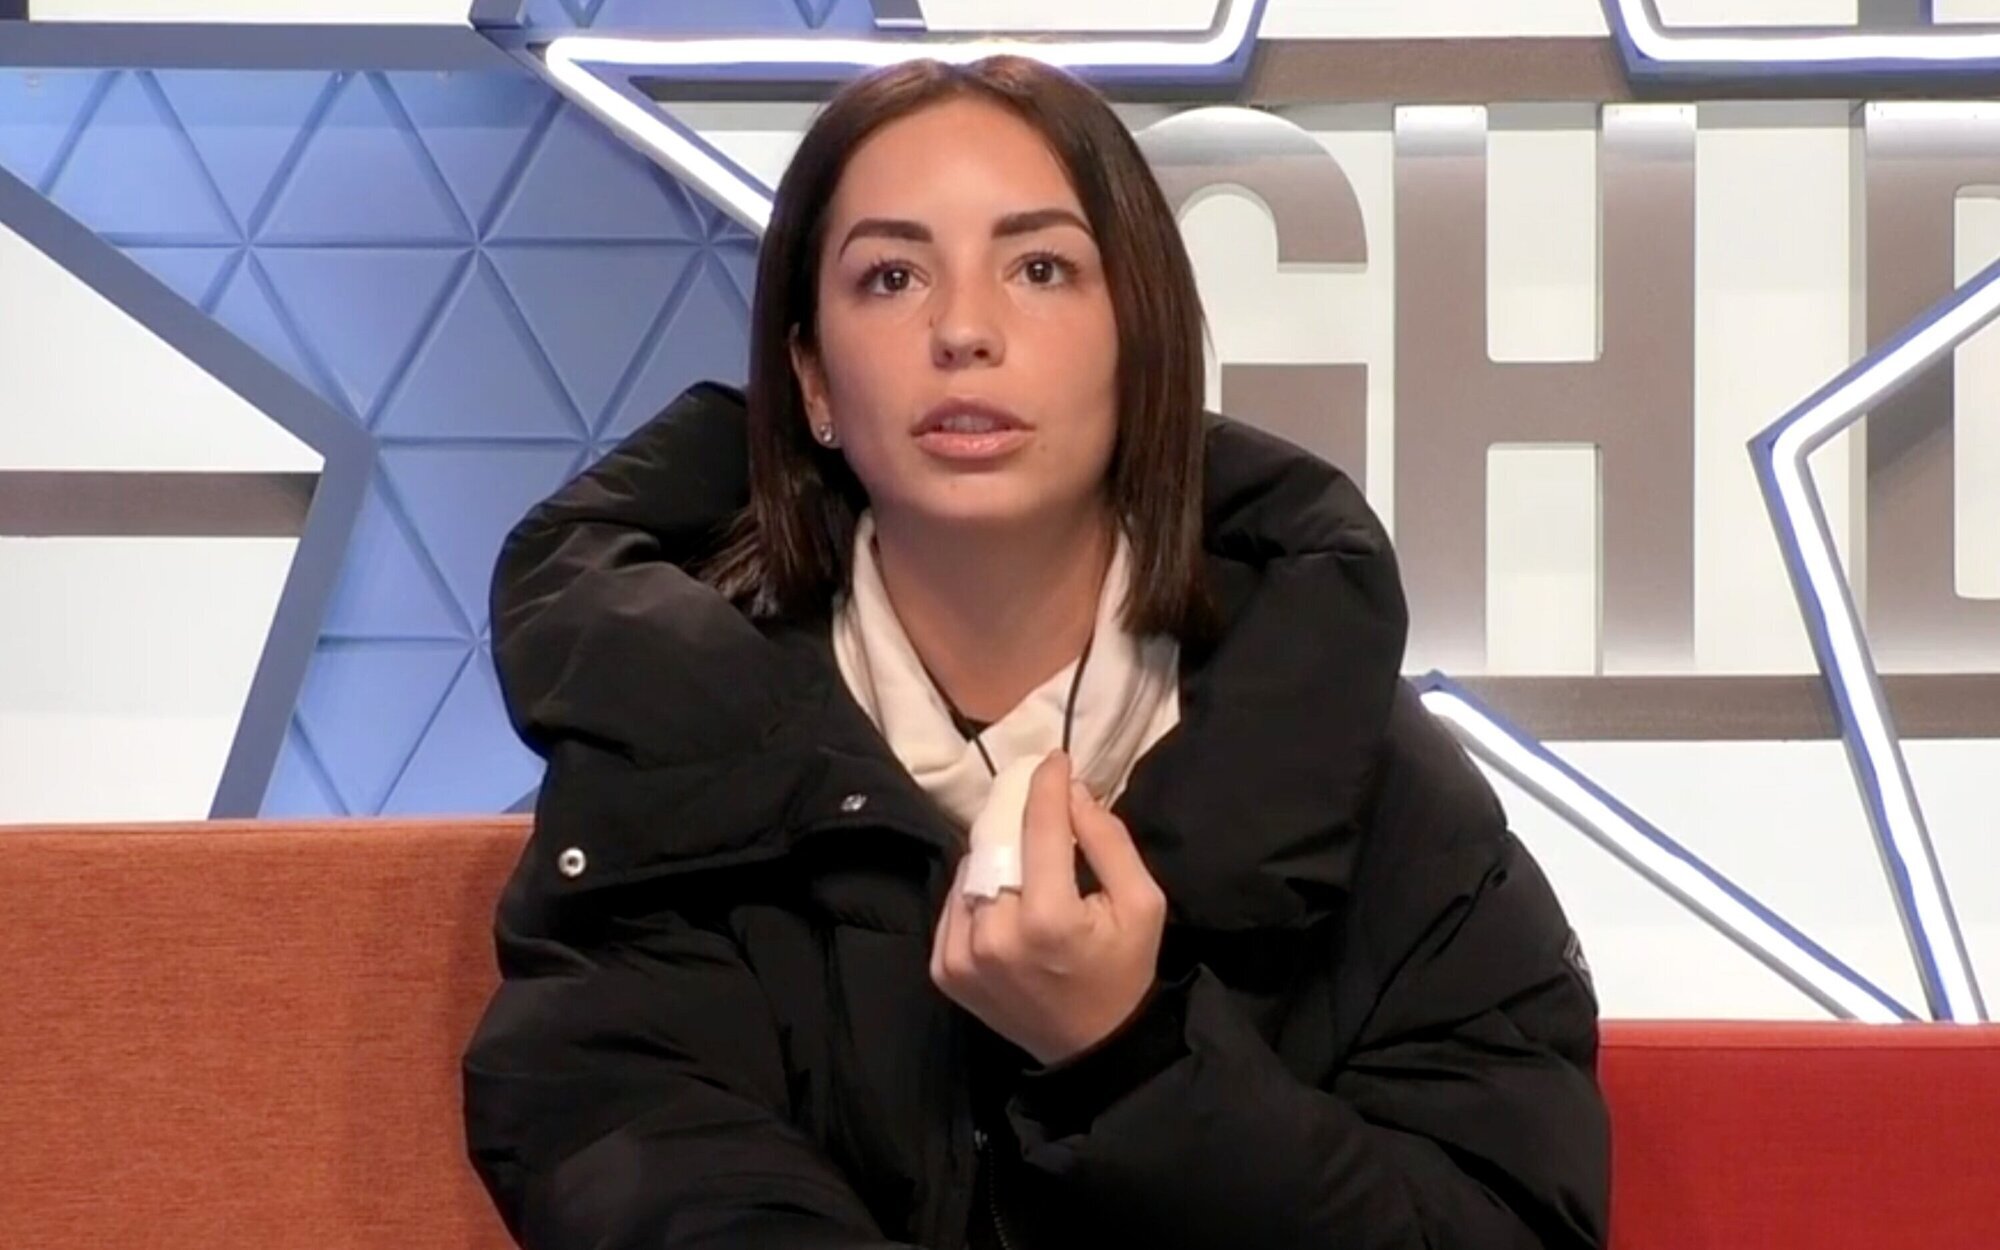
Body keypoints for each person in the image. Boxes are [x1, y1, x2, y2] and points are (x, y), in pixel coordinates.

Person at [461, 53, 1609, 1250]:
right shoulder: (669, 743)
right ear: (810, 379)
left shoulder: (1361, 770)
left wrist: (1131, 1059)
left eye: (1040, 268)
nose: (964, 330)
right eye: (891, 276)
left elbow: (1502, 1219)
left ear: (1136, 345)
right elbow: (626, 1146)